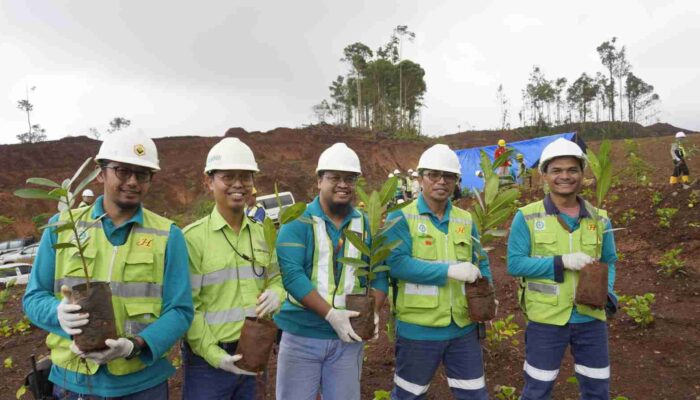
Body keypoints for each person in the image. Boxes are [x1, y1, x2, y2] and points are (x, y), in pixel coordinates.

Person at [23, 130, 194, 399]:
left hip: (143, 384)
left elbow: (180, 310)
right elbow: (33, 297)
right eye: (123, 171)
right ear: (100, 172)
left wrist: (135, 345)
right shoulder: (62, 227)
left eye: (143, 174)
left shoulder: (168, 235)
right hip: (73, 381)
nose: (133, 182)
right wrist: (57, 312)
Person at [274, 143, 388, 400]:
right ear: (319, 181)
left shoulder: (364, 224)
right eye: (334, 177)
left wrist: (374, 311)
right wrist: (330, 315)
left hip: (349, 339)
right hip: (301, 336)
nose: (343, 184)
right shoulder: (297, 223)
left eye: (350, 178)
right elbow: (292, 276)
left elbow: (379, 272)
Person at [507, 138, 618, 399]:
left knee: (597, 389)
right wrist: (561, 262)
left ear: (582, 174)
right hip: (545, 319)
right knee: (537, 389)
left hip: (591, 318)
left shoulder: (600, 218)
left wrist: (608, 293)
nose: (565, 176)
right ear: (544, 175)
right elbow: (515, 264)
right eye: (556, 170)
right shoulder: (527, 216)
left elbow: (609, 260)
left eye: (572, 170)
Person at [385, 143, 492, 400]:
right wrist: (450, 271)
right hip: (418, 329)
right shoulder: (400, 218)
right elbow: (397, 264)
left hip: (463, 328)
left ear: (456, 181)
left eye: (449, 176)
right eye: (433, 174)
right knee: (408, 395)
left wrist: (489, 295)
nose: (441, 181)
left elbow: (481, 260)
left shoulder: (465, 219)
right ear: (421, 178)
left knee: (474, 395)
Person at [182, 138, 285, 399]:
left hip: (255, 353)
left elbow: (277, 279)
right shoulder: (192, 239)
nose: (238, 184)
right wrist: (215, 356)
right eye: (228, 177)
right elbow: (187, 307)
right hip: (207, 363)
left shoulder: (263, 232)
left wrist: (277, 293)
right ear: (209, 182)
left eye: (245, 177)